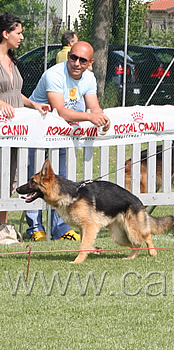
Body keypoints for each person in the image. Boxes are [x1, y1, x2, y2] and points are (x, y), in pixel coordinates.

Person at [26, 41, 111, 241]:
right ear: (68, 56)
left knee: (61, 181)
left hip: (61, 135)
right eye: (73, 57)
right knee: (34, 181)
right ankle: (35, 228)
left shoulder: (89, 77)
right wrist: (90, 117)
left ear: (90, 63)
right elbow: (60, 111)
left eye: (82, 60)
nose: (76, 63)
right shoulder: (54, 75)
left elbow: (94, 106)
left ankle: (61, 229)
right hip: (36, 132)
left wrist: (102, 117)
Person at [0, 13, 50, 225]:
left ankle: (3, 226)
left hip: (15, 131)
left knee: (8, 177)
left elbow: (14, 93)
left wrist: (34, 104)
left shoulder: (12, 60)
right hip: (1, 129)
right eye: (18, 33)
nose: (22, 37)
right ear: (5, 33)